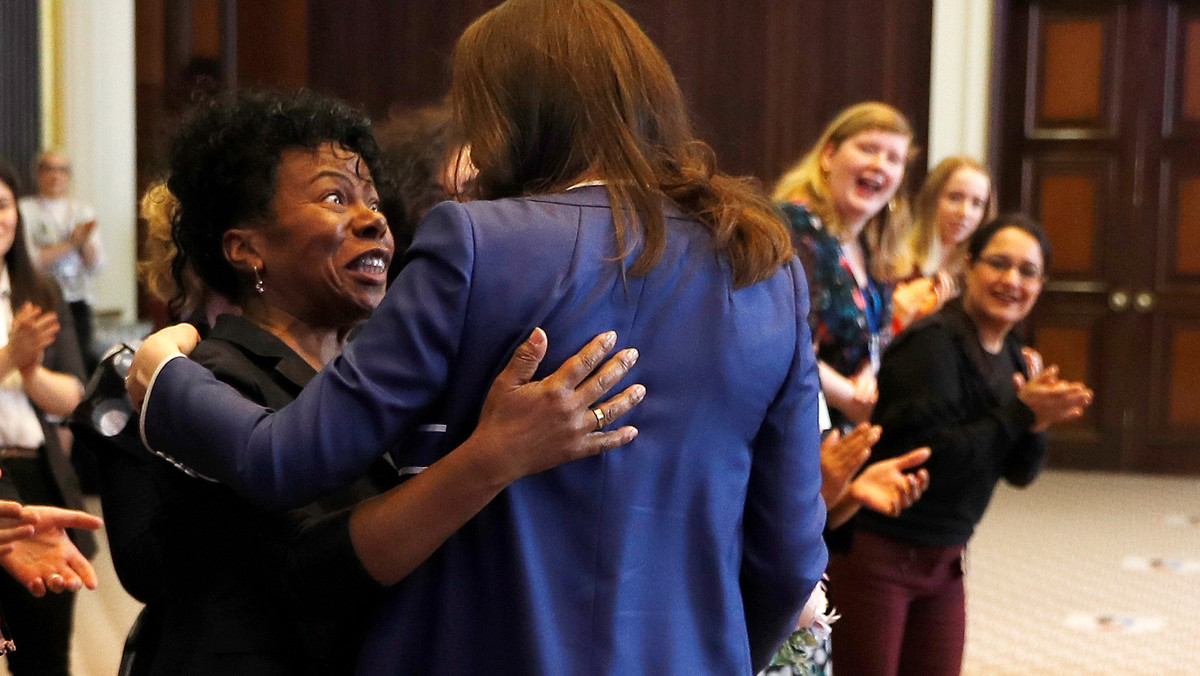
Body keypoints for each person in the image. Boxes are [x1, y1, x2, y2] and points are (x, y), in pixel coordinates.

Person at [127, 1, 827, 673]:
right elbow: (792, 557)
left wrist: (162, 377)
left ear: (511, 110)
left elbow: (285, 457)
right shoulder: (768, 272)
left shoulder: (477, 244)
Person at [76, 89, 643, 676]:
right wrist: (494, 456)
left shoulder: (378, 375)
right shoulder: (217, 378)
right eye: (334, 197)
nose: (374, 219)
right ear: (246, 249)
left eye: (373, 200)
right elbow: (318, 570)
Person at [825, 214, 1093, 676]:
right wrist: (1020, 413)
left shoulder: (1011, 354)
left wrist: (1037, 422)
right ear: (970, 265)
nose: (1011, 281)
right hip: (879, 554)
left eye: (1027, 272)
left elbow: (1019, 472)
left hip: (946, 561)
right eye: (999, 264)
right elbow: (932, 460)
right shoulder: (932, 345)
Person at [0, 161, 98, 676]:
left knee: (43, 655)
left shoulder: (38, 290)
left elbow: (73, 397)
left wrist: (32, 371)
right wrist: (9, 359)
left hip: (36, 477)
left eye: (2, 205)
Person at [772, 102, 915, 428]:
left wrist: (868, 373)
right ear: (828, 156)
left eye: (894, 159)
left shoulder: (870, 244)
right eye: (868, 149)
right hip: (797, 422)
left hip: (846, 425)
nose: (880, 164)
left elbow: (871, 336)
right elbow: (785, 343)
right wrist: (848, 396)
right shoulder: (793, 228)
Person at [17, 151, 103, 372]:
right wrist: (70, 244)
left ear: (69, 175)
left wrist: (83, 242)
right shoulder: (25, 209)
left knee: (79, 364)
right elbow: (30, 259)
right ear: (38, 173)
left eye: (62, 170)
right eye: (49, 169)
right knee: (44, 361)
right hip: (40, 298)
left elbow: (97, 264)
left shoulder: (83, 211)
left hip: (77, 299)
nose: (56, 176)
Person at [890, 156, 996, 331]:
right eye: (955, 198)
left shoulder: (977, 271)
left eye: (977, 204)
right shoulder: (896, 261)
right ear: (932, 199)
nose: (965, 213)